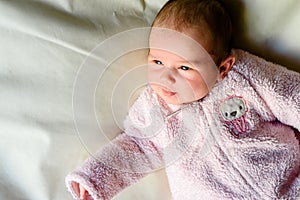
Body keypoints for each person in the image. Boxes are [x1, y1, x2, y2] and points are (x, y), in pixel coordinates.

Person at [66, 0, 300, 199]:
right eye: (157, 62)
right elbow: (137, 146)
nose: (167, 77)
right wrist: (95, 179)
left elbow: (289, 96)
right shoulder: (154, 107)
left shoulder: (245, 77)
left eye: (184, 67)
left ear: (223, 67)